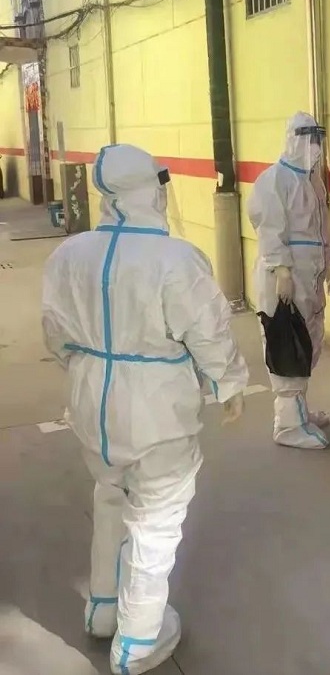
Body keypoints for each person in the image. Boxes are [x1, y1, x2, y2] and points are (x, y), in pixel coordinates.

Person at [41, 144, 249, 675]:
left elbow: (55, 333)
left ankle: (103, 608)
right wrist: (228, 383)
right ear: (148, 189)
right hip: (157, 409)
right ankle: (137, 640)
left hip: (91, 402)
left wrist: (88, 371)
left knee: (110, 495)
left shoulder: (69, 255)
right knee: (156, 520)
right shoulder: (174, 259)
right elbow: (207, 331)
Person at [248, 112, 330, 450]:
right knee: (287, 344)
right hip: (286, 280)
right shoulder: (274, 180)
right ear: (293, 139)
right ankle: (287, 425)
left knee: (308, 341)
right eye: (309, 138)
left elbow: (323, 227)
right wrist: (281, 269)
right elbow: (269, 227)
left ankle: (298, 410)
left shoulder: (313, 182)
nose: (314, 146)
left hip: (310, 277)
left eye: (318, 138)